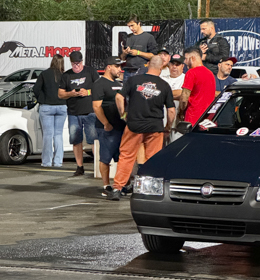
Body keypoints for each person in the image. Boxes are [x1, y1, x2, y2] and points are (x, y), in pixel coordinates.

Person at [109, 56, 175, 200]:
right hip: (155, 127)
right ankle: (150, 190)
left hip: (134, 125)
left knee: (126, 156)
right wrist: (168, 127)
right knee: (153, 160)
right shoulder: (164, 85)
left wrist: (123, 114)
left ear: (148, 65)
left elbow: (119, 97)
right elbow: (171, 111)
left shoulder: (133, 80)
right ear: (161, 67)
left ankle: (117, 189)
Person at [58, 51, 99, 177]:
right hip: (73, 113)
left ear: (82, 62)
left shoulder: (90, 72)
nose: (76, 66)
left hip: (90, 112)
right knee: (76, 140)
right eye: (74, 64)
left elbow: (99, 88)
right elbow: (60, 94)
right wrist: (71, 93)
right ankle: (79, 166)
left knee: (94, 140)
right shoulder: (66, 75)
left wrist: (87, 92)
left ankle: (98, 167)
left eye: (78, 63)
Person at [92, 57, 125, 197]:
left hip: (121, 126)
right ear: (108, 67)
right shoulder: (99, 84)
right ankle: (106, 186)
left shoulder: (118, 84)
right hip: (107, 128)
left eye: (120, 67)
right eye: (117, 66)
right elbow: (96, 106)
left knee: (121, 157)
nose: (120, 69)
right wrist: (106, 123)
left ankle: (120, 185)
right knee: (105, 157)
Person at [32, 54, 68, 168]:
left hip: (47, 106)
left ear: (52, 61)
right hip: (62, 106)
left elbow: (36, 89)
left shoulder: (44, 74)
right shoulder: (65, 75)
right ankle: (58, 162)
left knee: (48, 135)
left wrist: (41, 99)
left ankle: (47, 162)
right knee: (58, 134)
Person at [178, 45, 217, 126]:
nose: (185, 62)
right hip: (208, 120)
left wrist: (181, 112)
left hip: (193, 118)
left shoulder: (191, 73)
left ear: (192, 58)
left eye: (186, 59)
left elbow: (184, 97)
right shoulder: (210, 74)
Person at [121, 16, 158, 82]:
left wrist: (138, 53)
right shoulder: (127, 37)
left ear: (139, 23)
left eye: (132, 25)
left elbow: (153, 56)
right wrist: (124, 53)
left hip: (142, 69)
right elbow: (122, 58)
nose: (131, 28)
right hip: (128, 70)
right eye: (129, 26)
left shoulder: (149, 37)